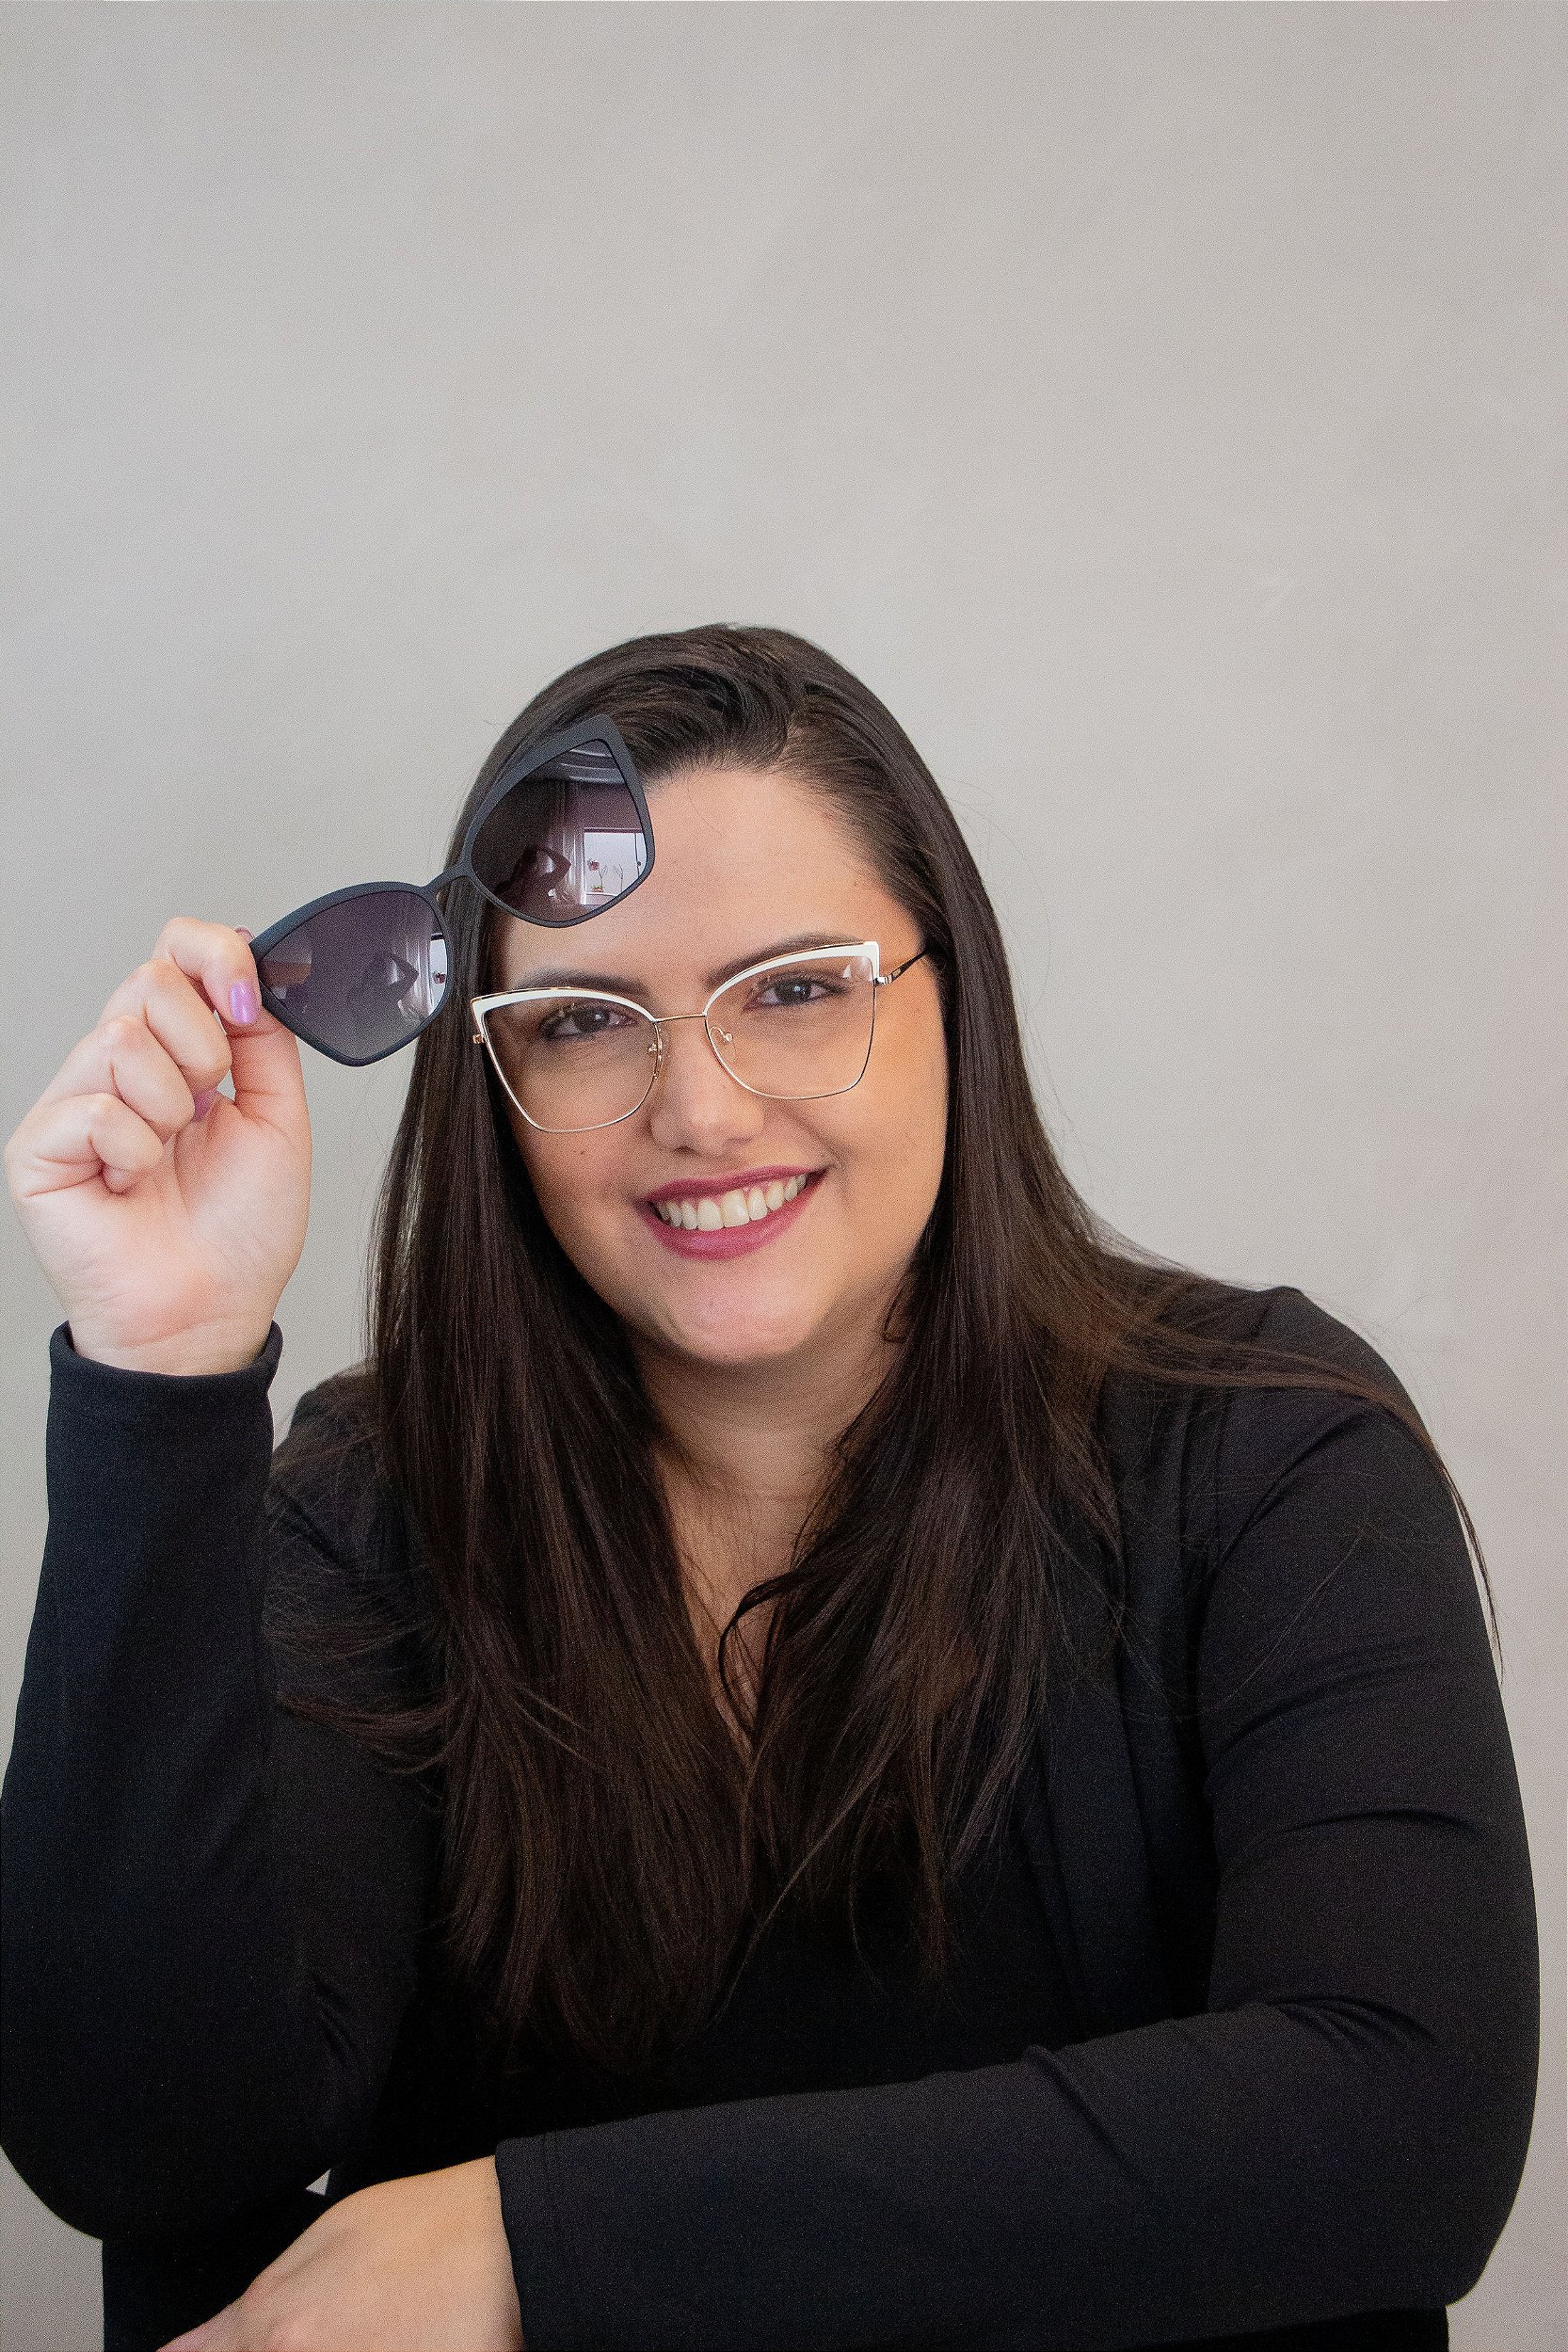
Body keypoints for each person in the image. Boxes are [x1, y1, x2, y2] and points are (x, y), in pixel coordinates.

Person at [0, 624, 1539, 2352]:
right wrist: (161, 1376)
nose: (702, 1112)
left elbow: (1394, 2126)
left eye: (796, 989)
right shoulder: (378, 1504)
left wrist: (528, 2249)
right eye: (583, 1023)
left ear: (953, 997)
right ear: (492, 1086)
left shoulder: (1265, 1446)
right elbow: (144, 2147)